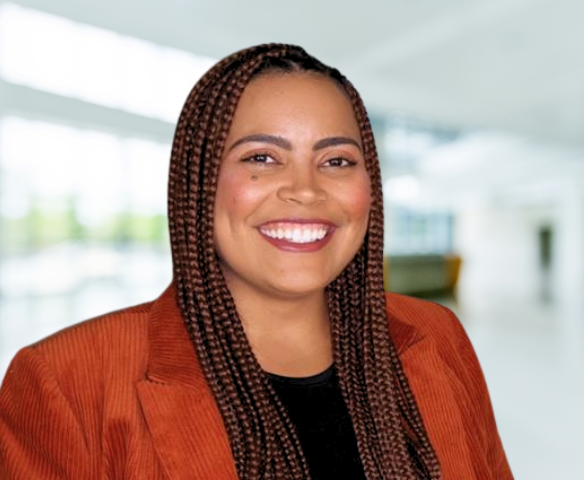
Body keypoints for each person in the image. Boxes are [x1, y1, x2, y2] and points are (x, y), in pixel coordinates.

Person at [0, 44, 513, 480]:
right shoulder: (65, 381)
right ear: (200, 181)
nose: (306, 189)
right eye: (261, 158)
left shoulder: (439, 337)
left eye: (336, 161)